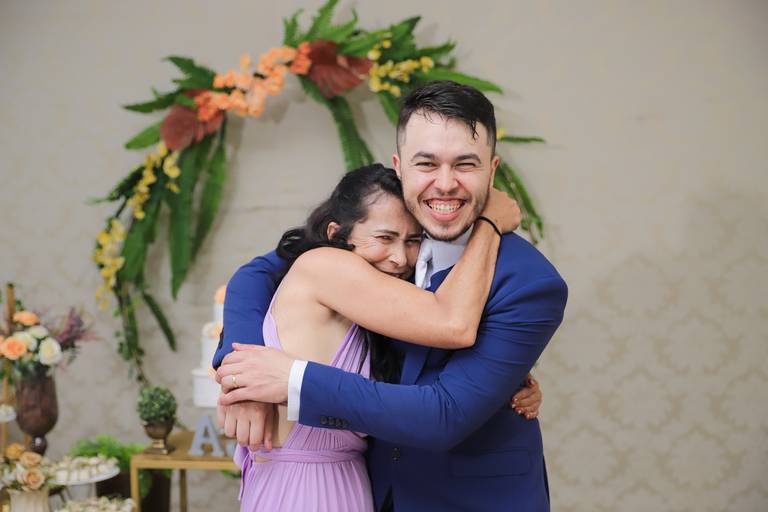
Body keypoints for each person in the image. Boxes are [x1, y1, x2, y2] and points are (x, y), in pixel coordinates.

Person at [216, 80, 567, 511]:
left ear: (491, 171)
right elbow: (258, 274)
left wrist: (290, 379)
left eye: (465, 164)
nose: (445, 183)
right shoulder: (378, 247)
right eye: (427, 163)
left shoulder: (530, 282)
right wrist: (242, 377)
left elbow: (445, 415)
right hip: (369, 492)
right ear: (400, 168)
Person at [218, 162, 519, 511]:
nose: (399, 258)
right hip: (303, 490)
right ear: (337, 234)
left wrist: (505, 379)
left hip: (346, 481)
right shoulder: (326, 266)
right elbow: (452, 323)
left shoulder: (368, 311)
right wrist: (488, 225)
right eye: (385, 238)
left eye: (413, 241)